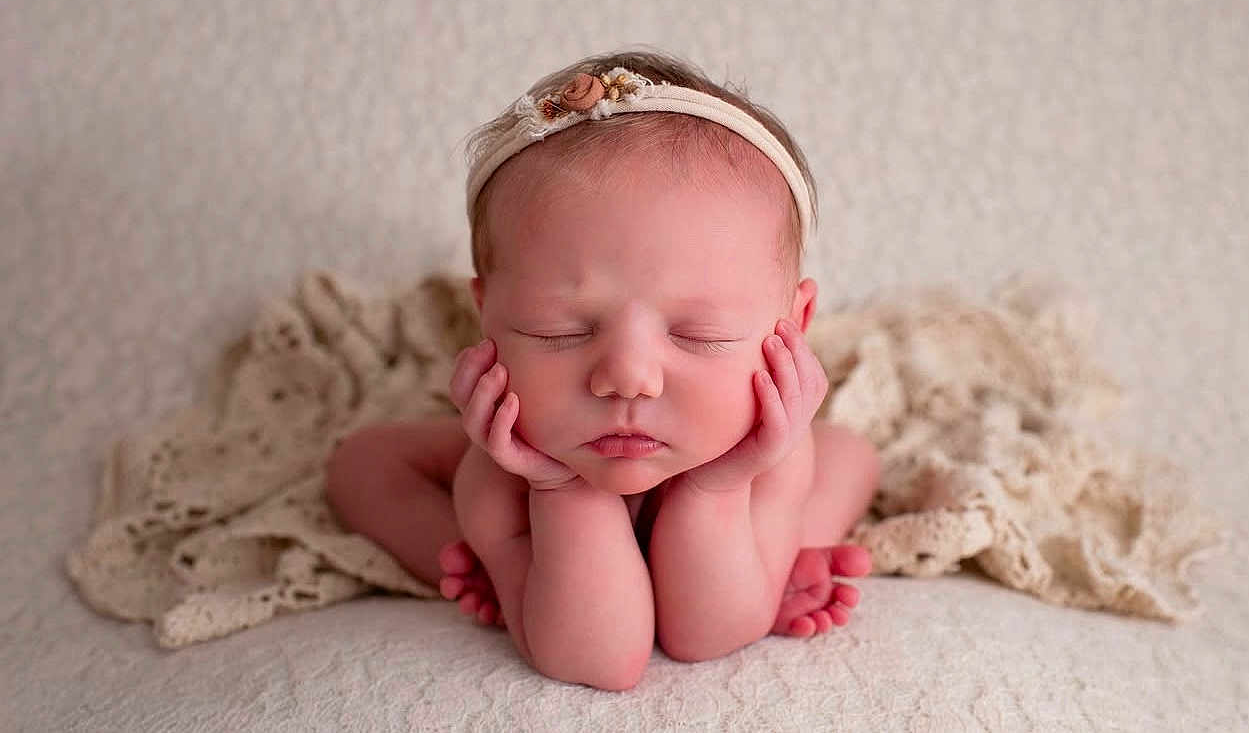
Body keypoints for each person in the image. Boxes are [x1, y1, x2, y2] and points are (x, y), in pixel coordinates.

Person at [325, 49, 880, 691]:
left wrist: (718, 488)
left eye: (700, 336)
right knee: (361, 462)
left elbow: (702, 637)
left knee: (848, 454)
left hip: (735, 470)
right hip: (544, 457)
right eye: (557, 331)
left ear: (793, 324)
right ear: (486, 316)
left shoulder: (763, 455)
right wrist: (557, 488)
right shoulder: (501, 476)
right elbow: (604, 662)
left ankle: (783, 554)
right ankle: (486, 566)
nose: (628, 378)